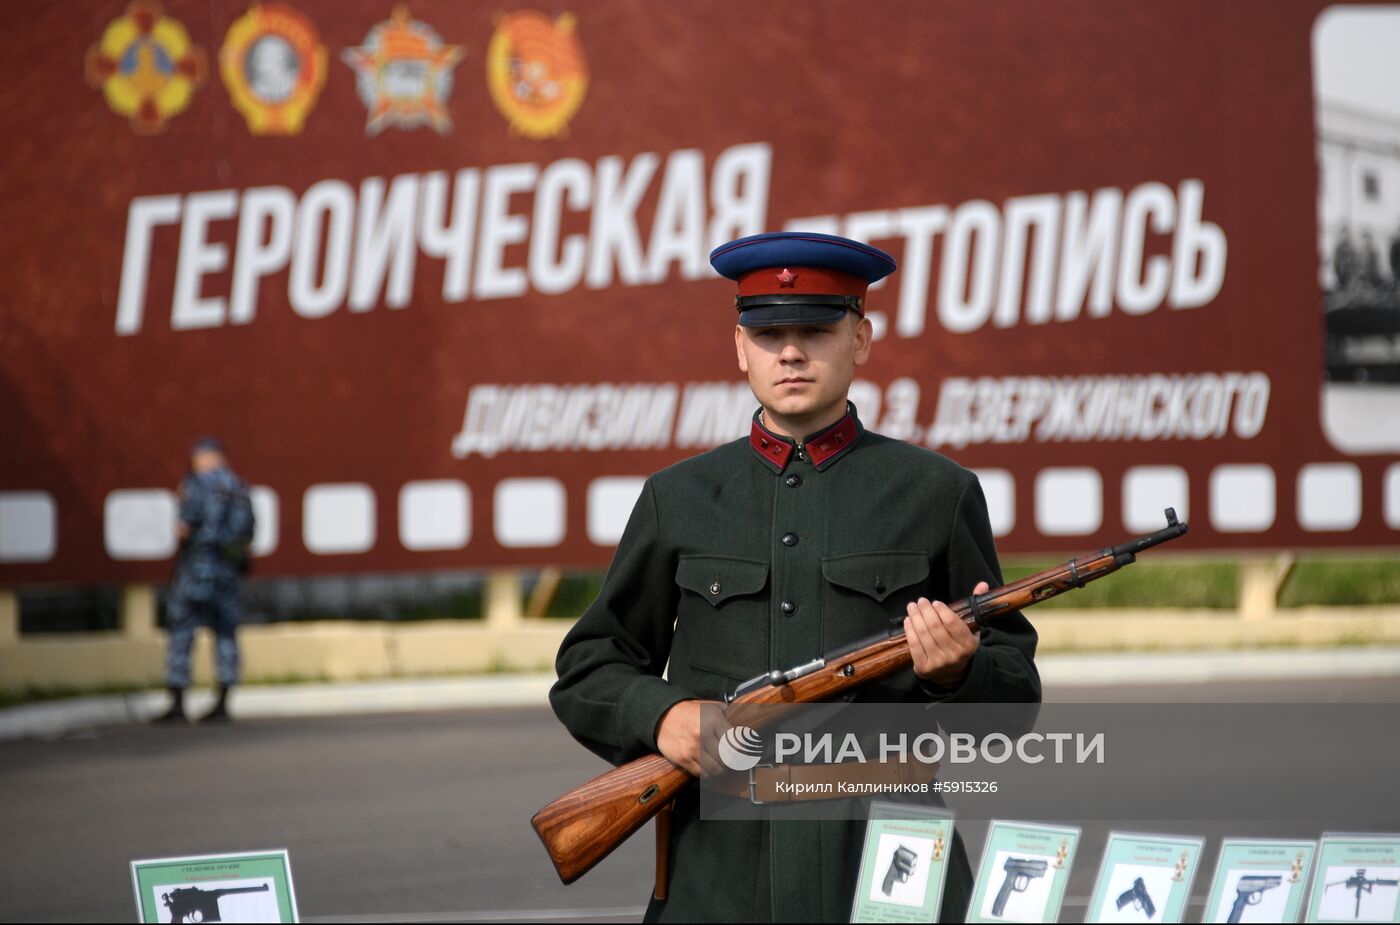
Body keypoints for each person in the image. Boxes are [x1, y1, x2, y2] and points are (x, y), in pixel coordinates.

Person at [549, 232, 1040, 922]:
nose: (789, 350)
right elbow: (588, 666)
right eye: (768, 331)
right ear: (739, 347)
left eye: (815, 328)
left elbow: (1014, 696)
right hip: (720, 873)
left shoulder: (939, 492)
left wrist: (958, 673)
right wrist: (662, 716)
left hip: (886, 863)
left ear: (861, 338)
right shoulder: (678, 497)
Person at [154, 437, 255, 724]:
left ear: (205, 457)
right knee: (225, 631)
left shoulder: (196, 484)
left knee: (182, 628)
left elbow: (184, 527)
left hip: (198, 568)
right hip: (228, 571)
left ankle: (177, 701)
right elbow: (248, 534)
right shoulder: (239, 488)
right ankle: (223, 699)